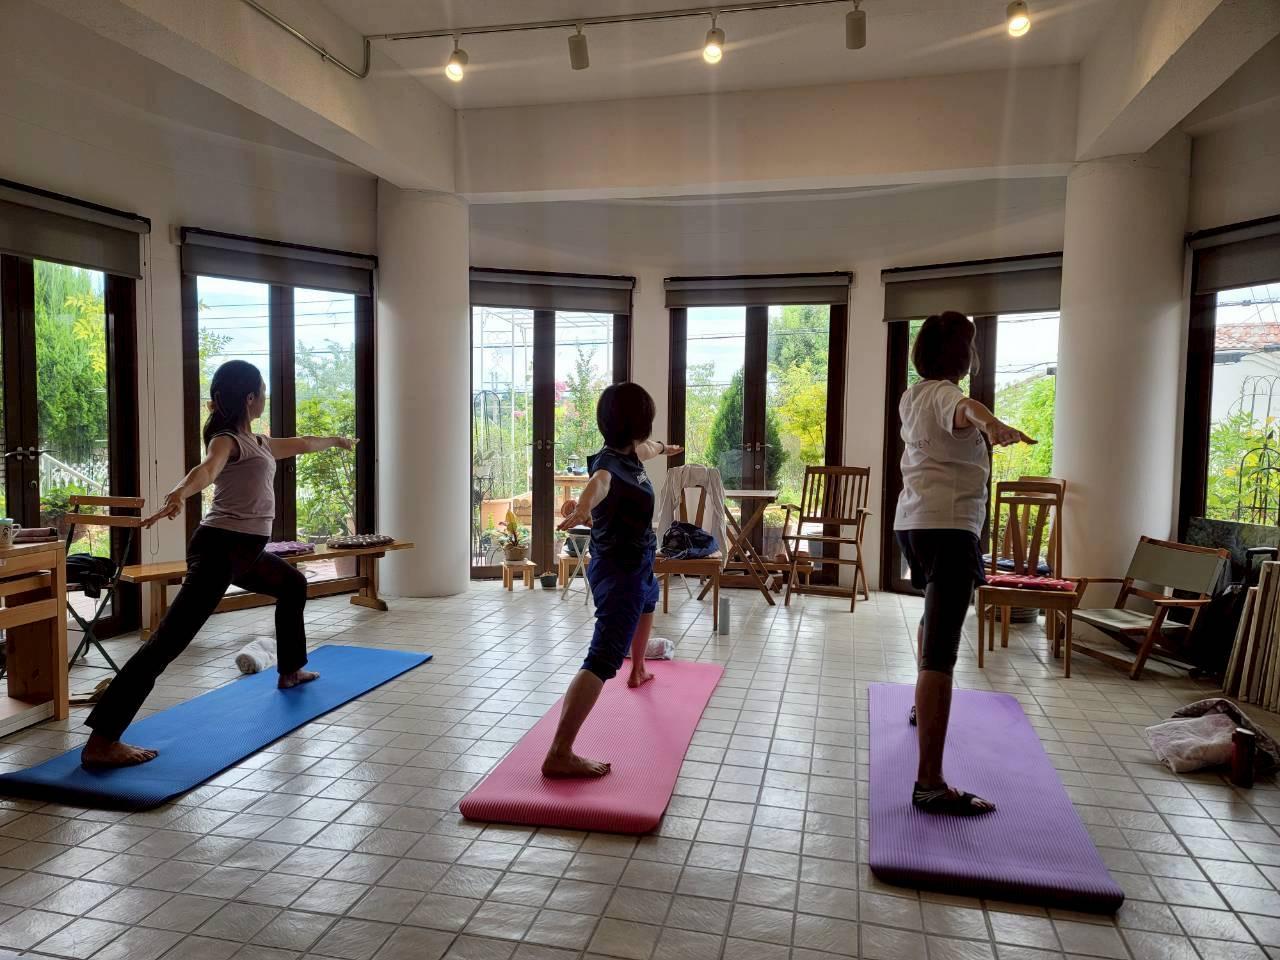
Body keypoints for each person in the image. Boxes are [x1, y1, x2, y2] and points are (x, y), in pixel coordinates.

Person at [81, 359, 355, 768]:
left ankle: (290, 670)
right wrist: (180, 492)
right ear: (250, 398)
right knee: (166, 644)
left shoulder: (259, 442)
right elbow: (207, 469)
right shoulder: (227, 440)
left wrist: (335, 440)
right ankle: (102, 741)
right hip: (220, 550)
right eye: (263, 393)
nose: (265, 399)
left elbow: (301, 442)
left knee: (292, 585)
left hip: (244, 552)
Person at [894, 311, 1034, 815]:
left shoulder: (912, 396)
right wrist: (992, 424)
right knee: (942, 654)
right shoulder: (944, 395)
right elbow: (965, 408)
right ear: (961, 354)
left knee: (932, 620)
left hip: (915, 523)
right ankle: (930, 784)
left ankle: (922, 706)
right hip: (950, 530)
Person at [543, 382, 680, 778]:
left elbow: (649, 449)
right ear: (638, 422)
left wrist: (666, 448)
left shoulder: (630, 452)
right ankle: (559, 752)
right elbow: (598, 484)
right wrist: (584, 507)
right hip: (619, 571)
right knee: (602, 658)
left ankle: (637, 669)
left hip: (639, 560)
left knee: (649, 601)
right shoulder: (608, 465)